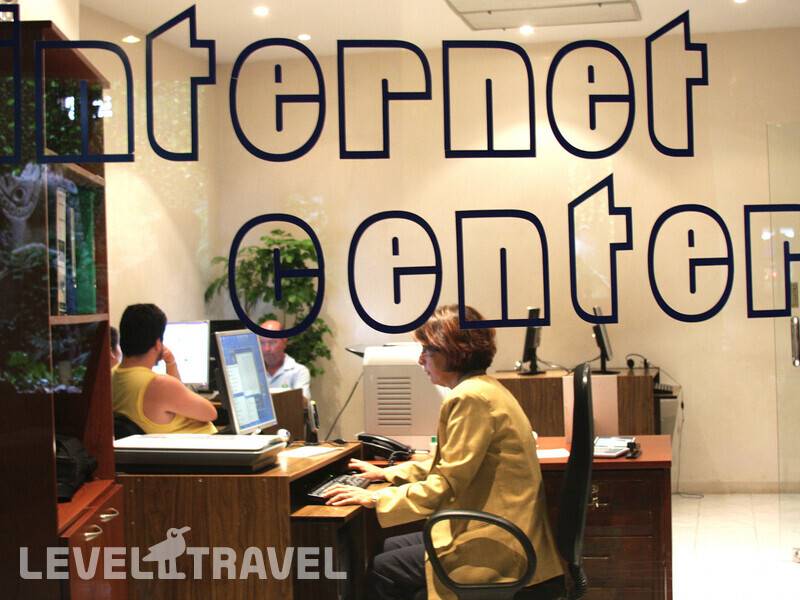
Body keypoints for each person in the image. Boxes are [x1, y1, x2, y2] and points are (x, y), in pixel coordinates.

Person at [322, 305, 564, 600]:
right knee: (387, 547)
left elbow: (445, 484)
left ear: (454, 352)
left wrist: (375, 498)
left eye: (427, 350)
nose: (420, 359)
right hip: (501, 529)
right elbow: (446, 463)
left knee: (383, 569)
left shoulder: (469, 398)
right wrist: (386, 473)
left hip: (498, 543)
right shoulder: (483, 388)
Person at [112, 304, 217, 434]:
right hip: (202, 445)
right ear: (158, 344)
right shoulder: (159, 384)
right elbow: (210, 413)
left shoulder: (112, 376)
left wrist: (171, 363)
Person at [258, 319, 311, 405]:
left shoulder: (298, 371)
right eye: (262, 343)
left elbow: (304, 405)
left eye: (272, 342)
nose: (266, 349)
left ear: (284, 342)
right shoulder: (253, 370)